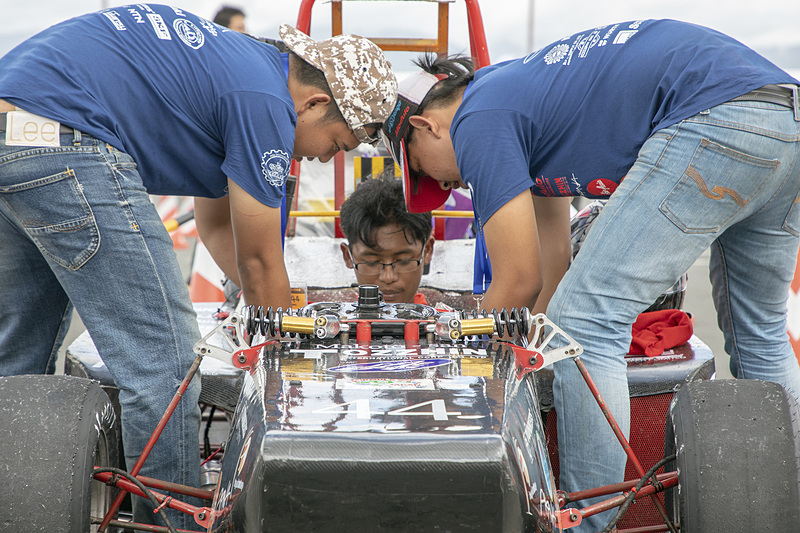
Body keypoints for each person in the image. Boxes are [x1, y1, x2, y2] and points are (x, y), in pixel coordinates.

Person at [381, 19, 800, 531]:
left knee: (589, 321)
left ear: (426, 127)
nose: (448, 183)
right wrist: (528, 352)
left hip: (715, 117)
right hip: (784, 118)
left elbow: (518, 283)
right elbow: (546, 277)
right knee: (758, 335)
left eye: (424, 170)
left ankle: (585, 521)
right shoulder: (526, 105)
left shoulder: (478, 117)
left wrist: (453, 367)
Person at [0, 4, 396, 529]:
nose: (326, 159)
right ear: (317, 102)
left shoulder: (242, 72)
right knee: (164, 365)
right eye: (337, 144)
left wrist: (274, 300)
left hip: (15, 128)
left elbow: (216, 229)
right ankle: (170, 527)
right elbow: (258, 260)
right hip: (68, 138)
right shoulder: (266, 101)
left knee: (19, 356)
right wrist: (286, 361)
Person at [339, 176, 434, 304]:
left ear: (427, 251)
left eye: (404, 261)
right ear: (348, 256)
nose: (388, 278)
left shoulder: (443, 322)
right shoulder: (334, 322)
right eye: (371, 262)